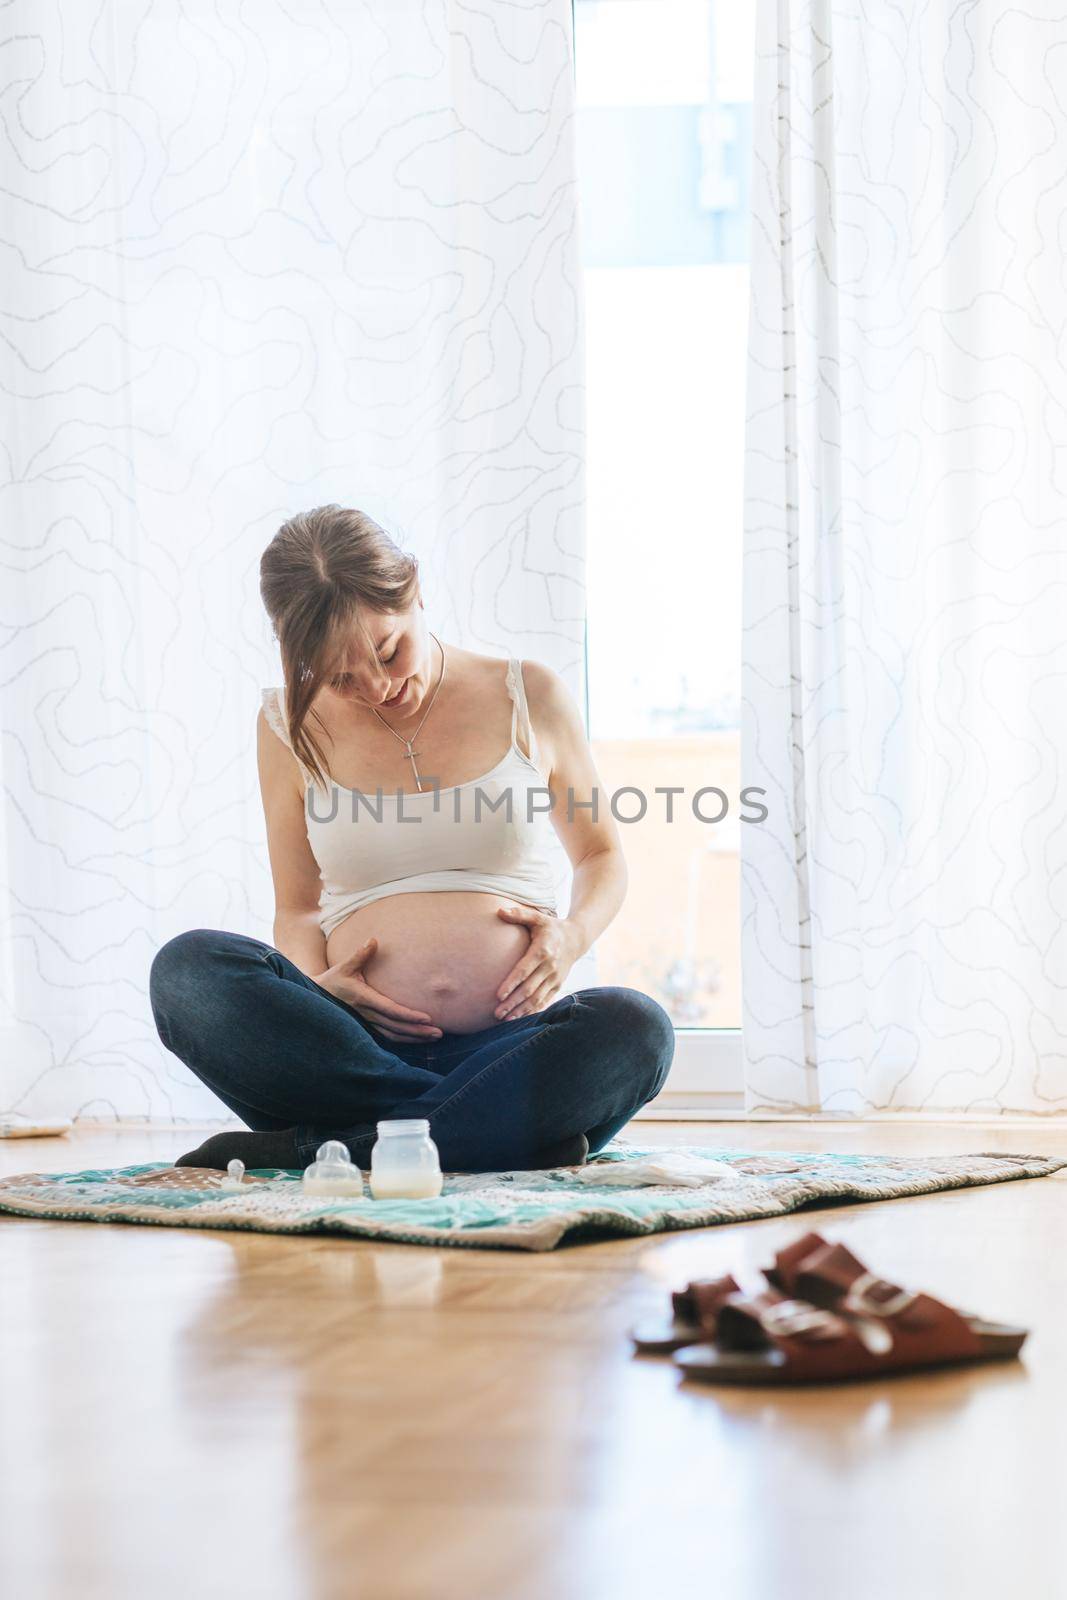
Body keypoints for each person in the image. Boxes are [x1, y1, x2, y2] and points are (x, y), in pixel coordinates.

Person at [149, 505, 675, 1173]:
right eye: (340, 677)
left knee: (635, 1028)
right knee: (189, 972)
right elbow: (298, 907)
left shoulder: (529, 694)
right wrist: (318, 983)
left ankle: (323, 1149)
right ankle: (492, 1135)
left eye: (388, 649)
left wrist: (571, 936)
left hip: (505, 1048)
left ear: (415, 590)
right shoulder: (287, 724)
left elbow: (600, 855)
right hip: (346, 1054)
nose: (377, 688)